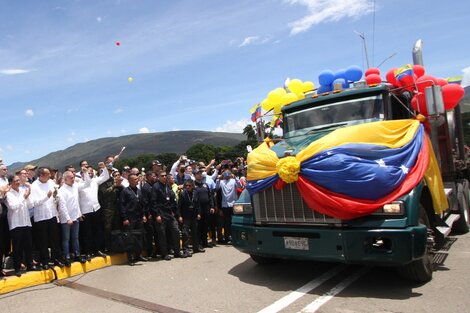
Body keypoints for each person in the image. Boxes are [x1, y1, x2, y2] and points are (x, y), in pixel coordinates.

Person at [4, 175, 45, 276]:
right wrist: (24, 197)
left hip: (26, 222)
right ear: (11, 183)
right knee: (17, 248)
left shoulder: (23, 191)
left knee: (28, 246)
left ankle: (30, 264)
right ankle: (17, 268)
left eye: (19, 180)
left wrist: (29, 196)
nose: (18, 182)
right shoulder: (8, 194)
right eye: (16, 181)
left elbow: (30, 205)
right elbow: (13, 207)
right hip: (16, 224)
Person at [30, 167, 64, 269]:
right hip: (41, 217)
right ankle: (44, 261)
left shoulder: (51, 182)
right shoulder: (34, 186)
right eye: (48, 174)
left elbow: (56, 195)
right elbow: (33, 203)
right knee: (43, 240)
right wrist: (46, 196)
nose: (50, 175)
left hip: (52, 214)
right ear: (41, 175)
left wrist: (56, 197)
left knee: (55, 239)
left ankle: (56, 259)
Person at [78, 160, 109, 259]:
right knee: (87, 233)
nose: (90, 173)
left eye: (91, 171)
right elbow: (77, 199)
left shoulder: (95, 181)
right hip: (85, 211)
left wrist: (104, 168)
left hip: (96, 209)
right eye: (88, 171)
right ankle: (88, 252)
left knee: (98, 231)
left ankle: (98, 250)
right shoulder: (79, 184)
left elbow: (106, 176)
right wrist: (79, 212)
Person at [151, 170, 183, 260]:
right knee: (162, 235)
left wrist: (176, 213)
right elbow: (153, 202)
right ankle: (164, 254)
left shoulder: (167, 186)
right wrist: (157, 215)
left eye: (165, 175)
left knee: (176, 231)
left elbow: (172, 200)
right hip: (161, 214)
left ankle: (177, 252)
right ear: (158, 177)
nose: (164, 177)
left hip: (169, 214)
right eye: (162, 175)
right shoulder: (156, 187)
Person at [57, 171, 87, 266]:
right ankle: (67, 257)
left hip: (76, 217)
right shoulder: (61, 190)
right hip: (67, 219)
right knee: (66, 239)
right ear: (65, 179)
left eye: (73, 177)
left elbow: (76, 202)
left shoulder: (75, 187)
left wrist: (79, 214)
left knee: (75, 237)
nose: (73, 179)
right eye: (70, 178)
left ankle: (77, 255)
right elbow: (62, 206)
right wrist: (67, 218)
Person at [119, 173, 148, 265]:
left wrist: (143, 215)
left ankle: (138, 255)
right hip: (130, 218)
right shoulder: (125, 191)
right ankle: (130, 258)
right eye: (135, 179)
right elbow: (122, 206)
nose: (137, 180)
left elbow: (142, 204)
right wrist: (125, 218)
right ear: (130, 180)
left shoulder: (139, 191)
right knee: (130, 238)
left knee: (139, 237)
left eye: (137, 179)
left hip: (139, 217)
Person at [179, 179, 205, 257]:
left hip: (194, 216)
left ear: (192, 186)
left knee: (195, 232)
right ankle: (186, 250)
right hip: (186, 216)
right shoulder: (183, 194)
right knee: (185, 234)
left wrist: (199, 213)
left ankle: (196, 247)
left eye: (189, 185)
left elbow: (198, 204)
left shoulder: (195, 193)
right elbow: (179, 206)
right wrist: (180, 216)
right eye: (186, 185)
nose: (188, 187)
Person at [216, 168, 241, 244]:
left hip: (234, 204)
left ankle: (236, 237)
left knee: (234, 221)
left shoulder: (233, 181)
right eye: (225, 174)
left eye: (228, 174)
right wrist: (218, 179)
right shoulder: (222, 182)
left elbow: (240, 185)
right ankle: (227, 237)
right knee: (227, 222)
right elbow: (216, 188)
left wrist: (235, 177)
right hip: (225, 205)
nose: (226, 175)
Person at [194, 168, 215, 248]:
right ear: (195, 175)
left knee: (206, 226)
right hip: (198, 209)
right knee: (199, 227)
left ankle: (205, 243)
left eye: (200, 173)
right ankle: (199, 244)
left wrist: (212, 206)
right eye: (197, 174)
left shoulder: (205, 184)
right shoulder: (193, 185)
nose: (199, 175)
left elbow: (210, 196)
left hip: (207, 208)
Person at [141, 171, 158, 258]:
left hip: (156, 213)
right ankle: (150, 252)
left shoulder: (154, 186)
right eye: (153, 176)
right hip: (150, 214)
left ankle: (157, 250)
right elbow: (145, 202)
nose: (155, 177)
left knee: (156, 233)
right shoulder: (145, 188)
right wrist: (148, 214)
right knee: (149, 234)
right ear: (148, 177)